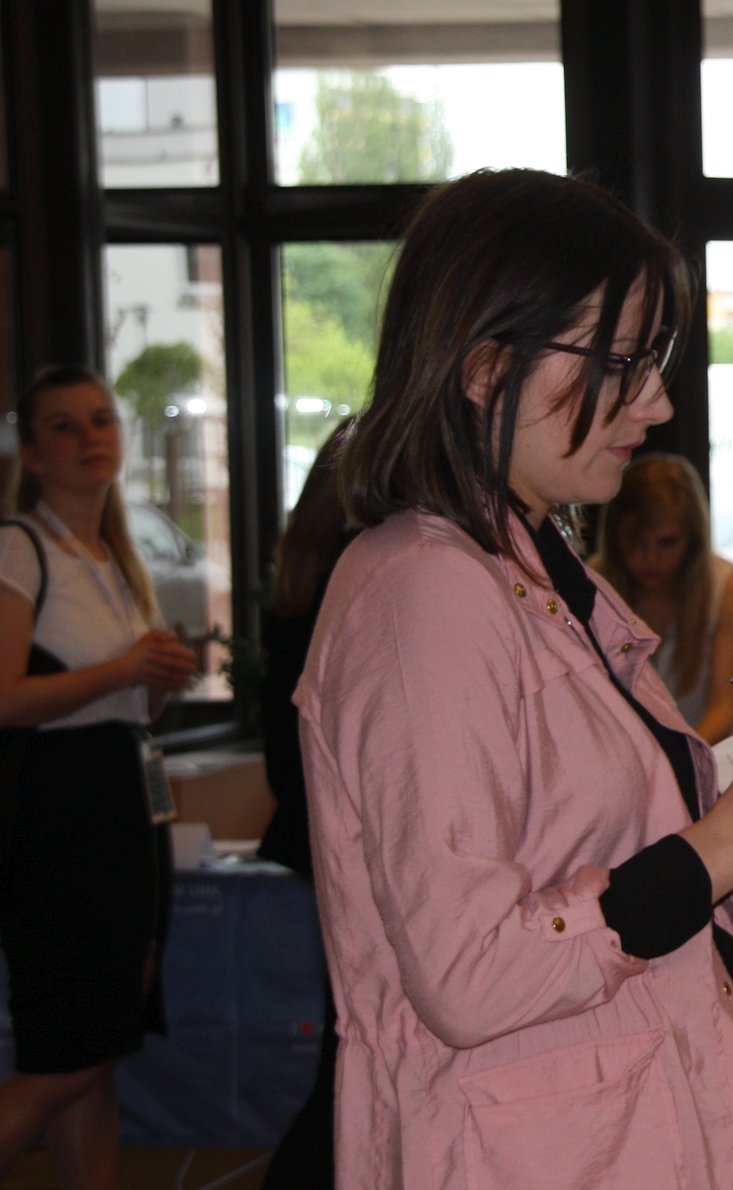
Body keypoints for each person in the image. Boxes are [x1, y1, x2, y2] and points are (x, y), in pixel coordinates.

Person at [296, 168, 733, 1190]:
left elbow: (585, 829)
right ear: (486, 366)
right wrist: (725, 842)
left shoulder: (530, 565)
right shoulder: (423, 591)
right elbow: (468, 970)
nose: (656, 401)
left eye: (653, 360)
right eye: (619, 363)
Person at [0, 365, 198, 1190]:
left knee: (97, 1050)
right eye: (64, 426)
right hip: (61, 820)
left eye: (101, 420)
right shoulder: (20, 546)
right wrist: (125, 668)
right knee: (67, 1055)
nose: (90, 438)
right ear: (32, 453)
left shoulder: (113, 556)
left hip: (122, 808)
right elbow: (7, 697)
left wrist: (155, 680)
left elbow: (127, 708)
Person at [258, 424, 356, 1190]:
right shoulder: (352, 590)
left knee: (346, 1038)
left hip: (314, 832)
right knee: (354, 1047)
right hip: (350, 839)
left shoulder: (298, 589)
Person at [591, 453, 733, 744]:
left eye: (667, 542)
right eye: (636, 542)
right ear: (614, 538)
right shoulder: (593, 585)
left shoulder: (727, 588)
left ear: (693, 540)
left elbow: (723, 709)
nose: (651, 558)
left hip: (722, 753)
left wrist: (677, 764)